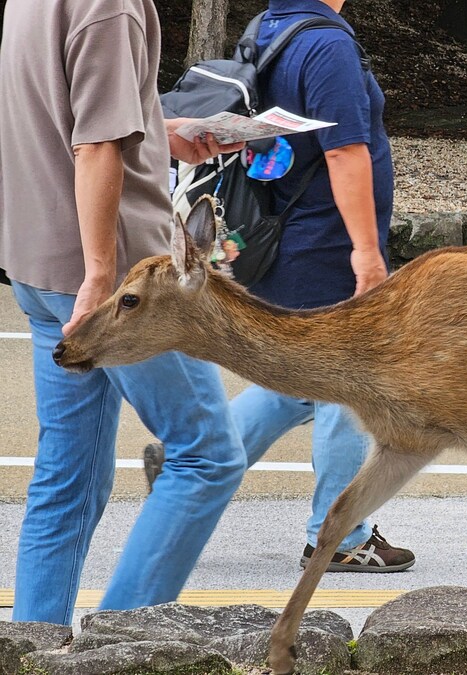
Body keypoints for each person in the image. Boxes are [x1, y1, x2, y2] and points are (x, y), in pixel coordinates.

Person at [0, 0, 249, 624]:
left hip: (37, 262)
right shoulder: (110, 6)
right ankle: (121, 641)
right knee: (208, 454)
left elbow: (61, 112)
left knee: (69, 478)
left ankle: (34, 649)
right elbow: (93, 145)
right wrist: (100, 280)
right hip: (112, 281)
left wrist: (162, 133)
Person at [143, 0, 414, 572]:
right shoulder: (327, 45)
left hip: (286, 232)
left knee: (297, 383)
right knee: (348, 383)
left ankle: (187, 466)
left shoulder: (272, 26)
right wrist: (367, 255)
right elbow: (344, 152)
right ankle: (339, 535)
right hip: (327, 244)